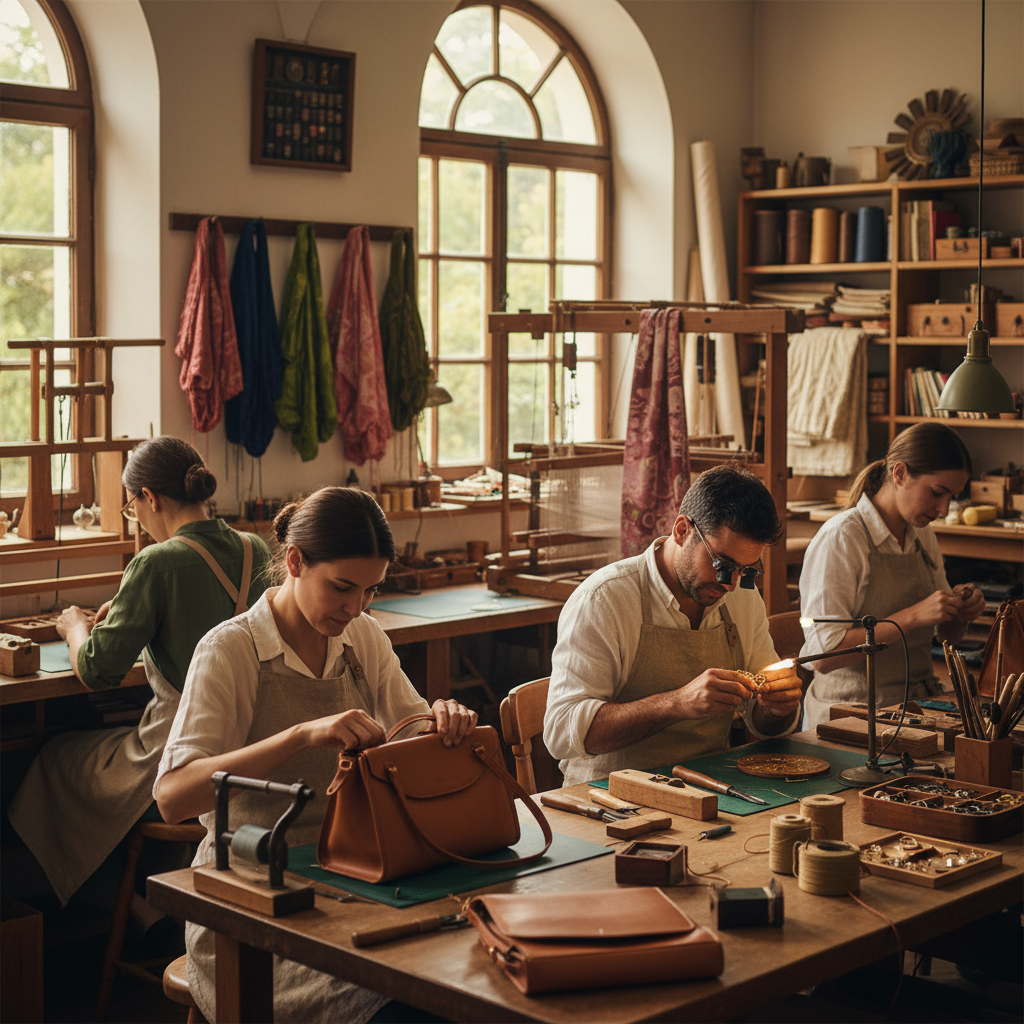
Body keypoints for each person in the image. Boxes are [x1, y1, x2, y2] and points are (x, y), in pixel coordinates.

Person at [155, 486, 477, 1024]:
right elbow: (172, 797)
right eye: (343, 588)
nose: (356, 608)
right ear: (296, 562)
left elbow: (411, 736)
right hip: (251, 893)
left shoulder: (363, 638)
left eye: (371, 591)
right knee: (400, 1003)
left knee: (463, 971)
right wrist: (299, 735)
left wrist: (443, 722)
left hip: (356, 872)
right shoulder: (230, 649)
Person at [8, 436, 272, 908]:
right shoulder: (254, 548)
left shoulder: (156, 562)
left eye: (132, 508)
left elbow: (96, 670)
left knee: (56, 757)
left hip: (180, 758)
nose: (139, 520)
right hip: (252, 750)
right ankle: (146, 909)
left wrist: (73, 627)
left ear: (149, 497)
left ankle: (70, 915)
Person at [543, 464, 803, 787]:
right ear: (682, 531)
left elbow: (761, 721)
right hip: (610, 798)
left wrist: (778, 708)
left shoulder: (741, 597)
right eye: (722, 566)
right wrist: (677, 704)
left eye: (748, 571)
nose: (732, 585)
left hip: (710, 787)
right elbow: (560, 731)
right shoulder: (604, 600)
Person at [799, 422, 985, 729]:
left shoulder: (922, 536)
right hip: (850, 713)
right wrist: (913, 616)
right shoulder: (843, 538)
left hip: (917, 707)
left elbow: (947, 637)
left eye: (952, 496)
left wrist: (959, 612)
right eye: (937, 493)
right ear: (899, 474)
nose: (944, 509)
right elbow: (823, 658)